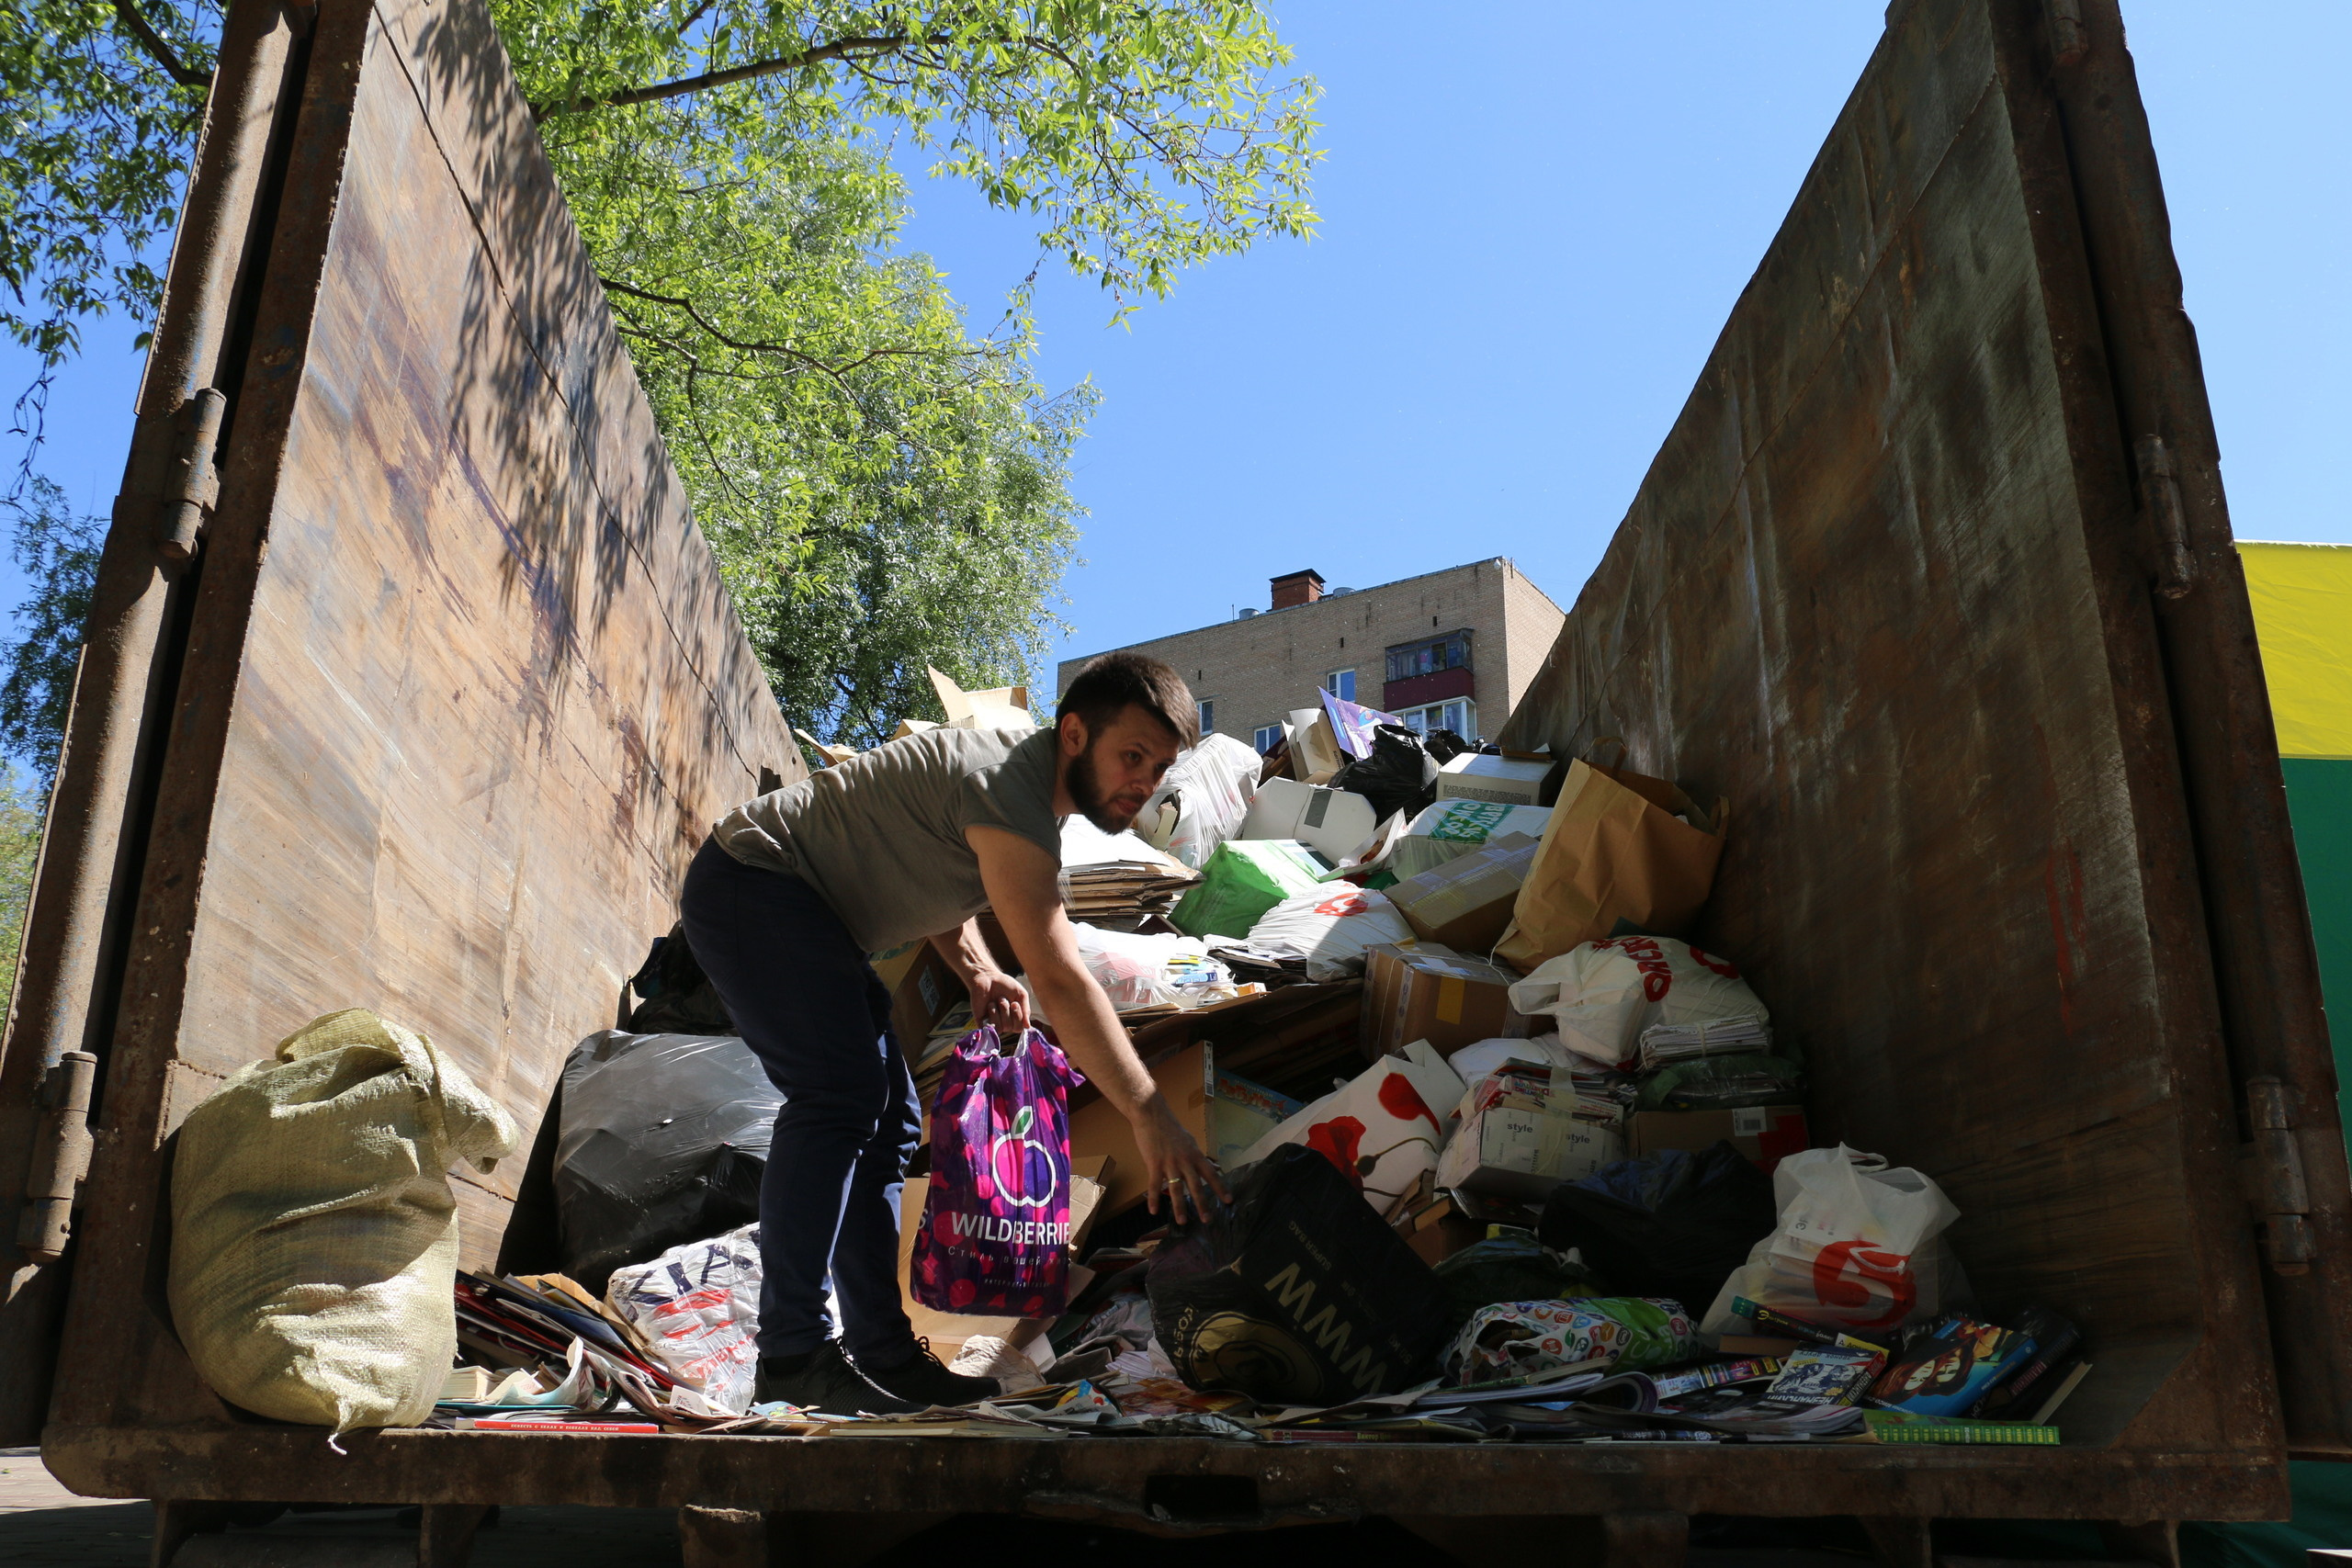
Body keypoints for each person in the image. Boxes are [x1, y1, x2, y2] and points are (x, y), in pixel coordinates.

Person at [679, 651, 1230, 1413]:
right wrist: (1148, 1110)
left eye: (1159, 765)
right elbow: (1060, 976)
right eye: (1130, 755)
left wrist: (974, 968)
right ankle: (793, 1352)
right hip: (754, 881)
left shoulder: (1020, 793)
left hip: (804, 910)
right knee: (838, 1095)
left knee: (890, 1117)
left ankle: (881, 1355)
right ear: (1074, 734)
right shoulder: (1011, 787)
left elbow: (921, 862)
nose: (1144, 781)